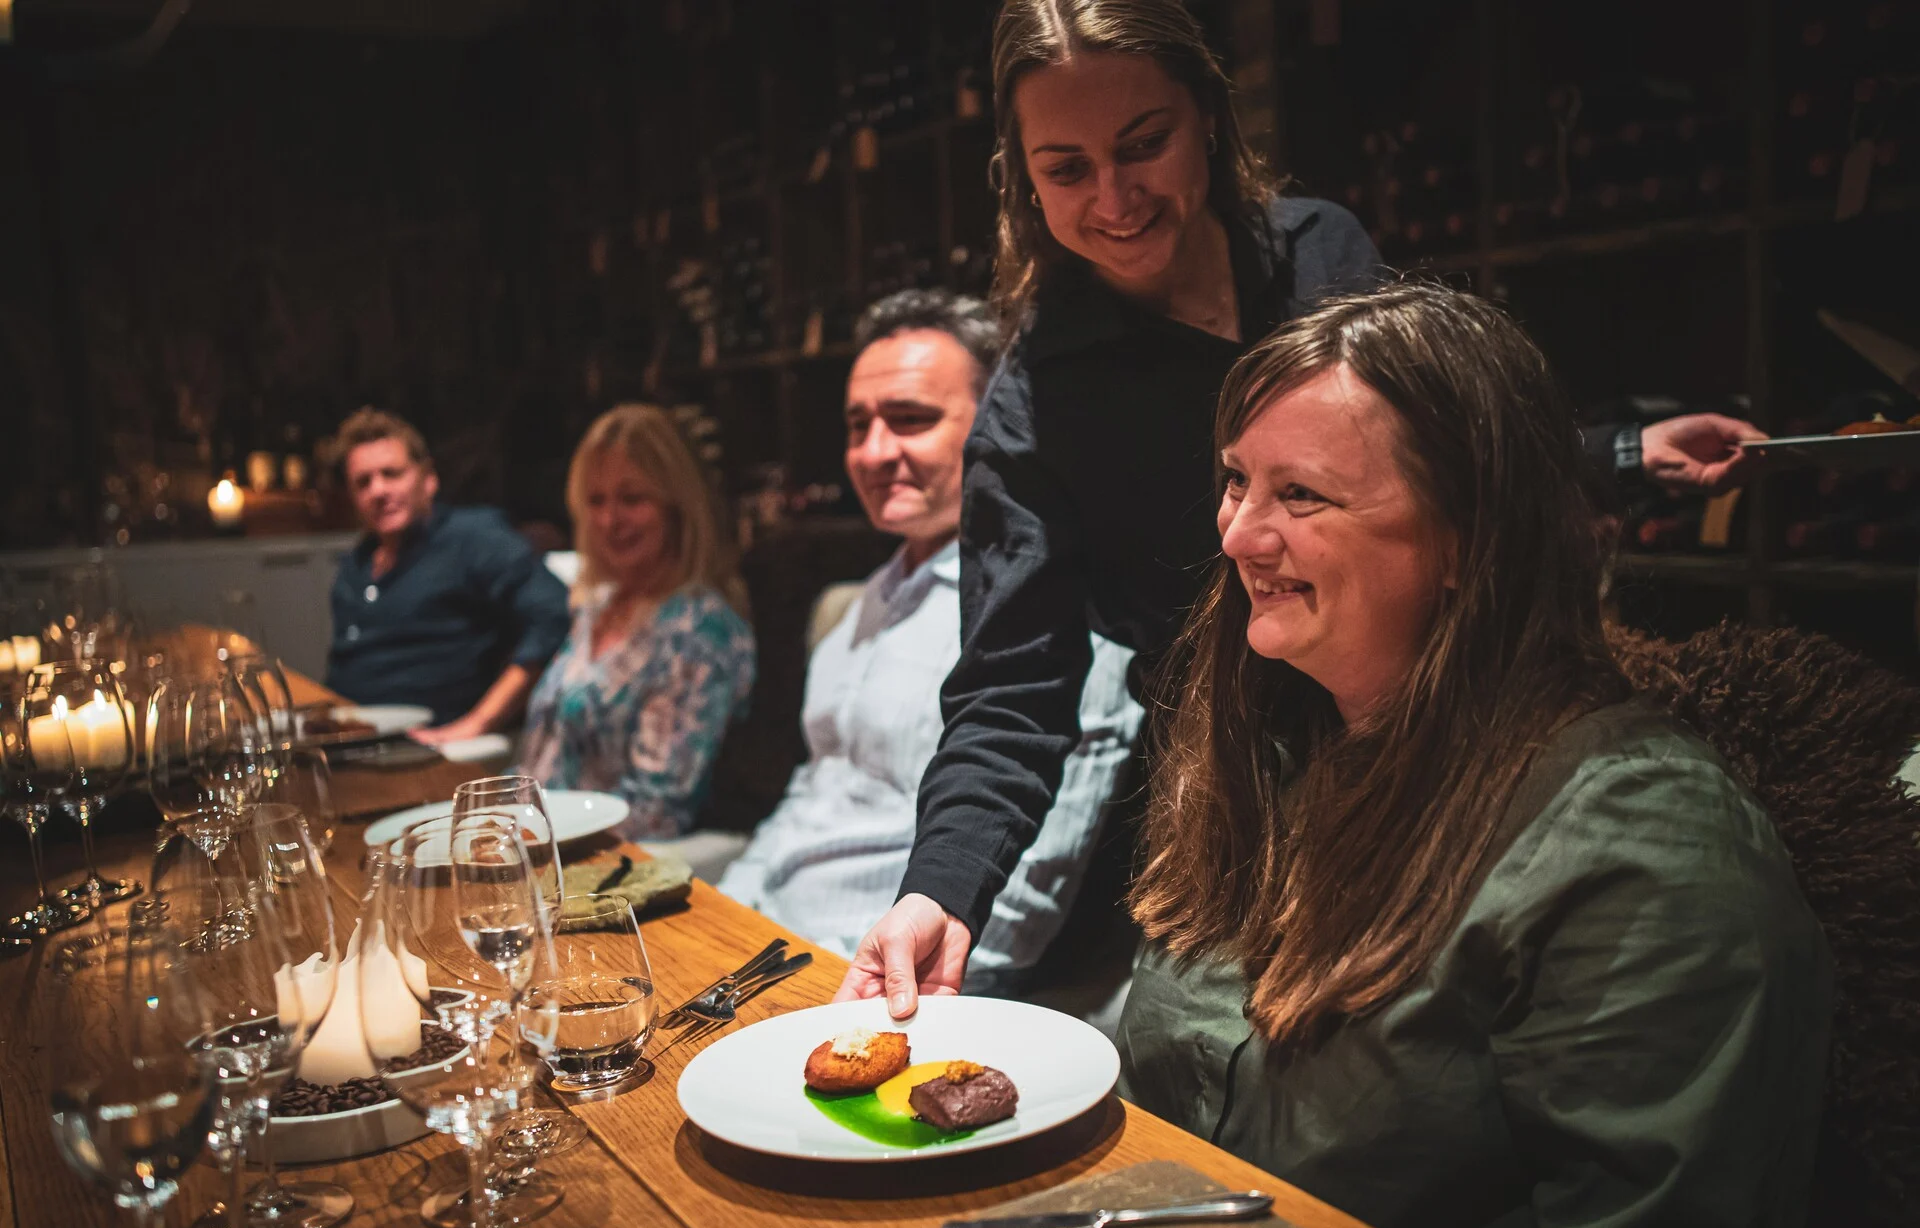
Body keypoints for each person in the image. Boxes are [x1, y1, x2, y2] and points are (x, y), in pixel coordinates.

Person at [838, 0, 1770, 1016]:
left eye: (1143, 145)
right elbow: (1012, 691)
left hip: (1442, 704)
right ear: (1022, 176)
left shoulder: (1321, 251)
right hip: (1242, 774)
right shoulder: (1035, 406)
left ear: (1207, 115)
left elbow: (1434, 453)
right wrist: (942, 887)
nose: (1114, 198)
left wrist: (1624, 454)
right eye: (1066, 169)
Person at [1117, 282, 1829, 1228]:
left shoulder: (1650, 852)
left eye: (1302, 494)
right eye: (1237, 479)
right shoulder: (1272, 744)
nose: (1237, 533)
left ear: (1467, 540)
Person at [717, 290, 1142, 991]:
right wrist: (730, 915)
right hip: (769, 955)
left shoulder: (1060, 612)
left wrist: (867, 1003)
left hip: (876, 985)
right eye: (859, 426)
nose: (876, 452)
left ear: (998, 423)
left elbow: (1025, 891)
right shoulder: (864, 600)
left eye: (911, 420)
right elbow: (814, 793)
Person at [516, 404, 754, 841]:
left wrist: (529, 846)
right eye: (596, 501)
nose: (610, 520)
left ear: (676, 507)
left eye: (632, 499)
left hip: (599, 866)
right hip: (531, 845)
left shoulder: (698, 630)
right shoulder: (599, 605)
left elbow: (656, 811)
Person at [325, 407, 570, 740]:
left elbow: (554, 613)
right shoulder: (357, 563)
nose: (378, 491)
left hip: (428, 752)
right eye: (363, 482)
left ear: (428, 479)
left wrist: (475, 725)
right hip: (350, 741)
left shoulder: (473, 539)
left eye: (392, 473)